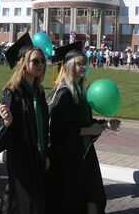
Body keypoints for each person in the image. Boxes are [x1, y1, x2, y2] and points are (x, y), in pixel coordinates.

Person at [46, 41, 120, 214]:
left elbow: (83, 121)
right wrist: (87, 131)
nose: (83, 66)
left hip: (84, 152)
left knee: (94, 193)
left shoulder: (82, 90)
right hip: (68, 156)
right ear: (69, 66)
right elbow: (57, 129)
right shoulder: (63, 93)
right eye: (79, 63)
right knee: (76, 198)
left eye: (84, 63)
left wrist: (104, 124)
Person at [0, 32, 49, 214]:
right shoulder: (11, 93)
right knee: (26, 204)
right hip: (21, 157)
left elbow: (44, 127)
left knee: (22, 202)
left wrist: (46, 155)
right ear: (24, 64)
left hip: (38, 157)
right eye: (36, 61)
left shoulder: (38, 91)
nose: (41, 65)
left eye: (42, 61)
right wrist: (6, 122)